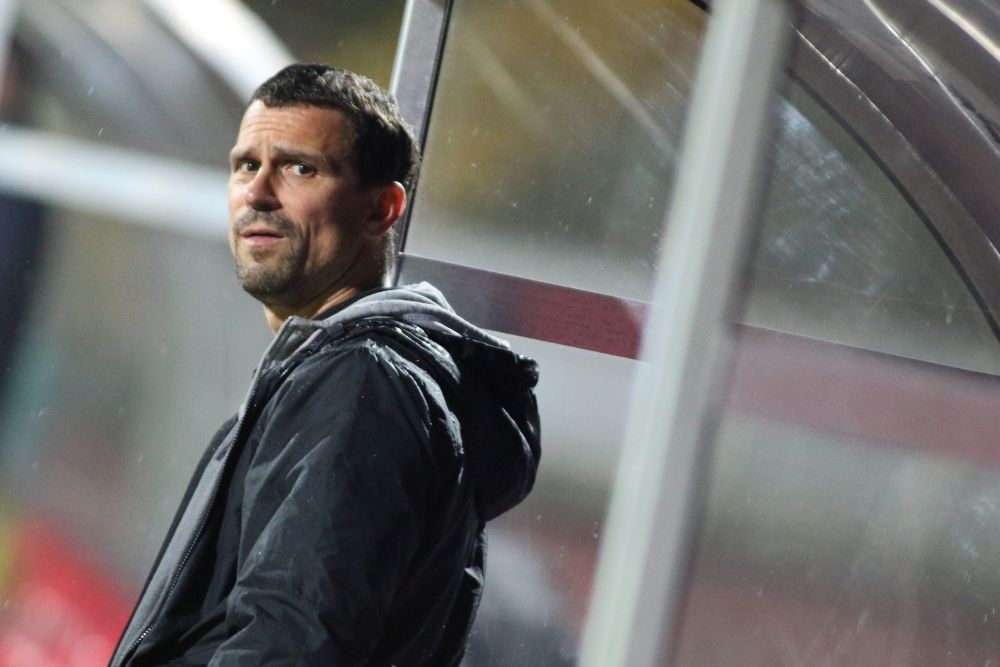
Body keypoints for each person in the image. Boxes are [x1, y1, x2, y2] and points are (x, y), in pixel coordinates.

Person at [109, 64, 540, 666]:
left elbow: (291, 645)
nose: (258, 193)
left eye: (299, 168)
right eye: (246, 165)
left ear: (381, 209)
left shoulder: (360, 384)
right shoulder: (339, 374)